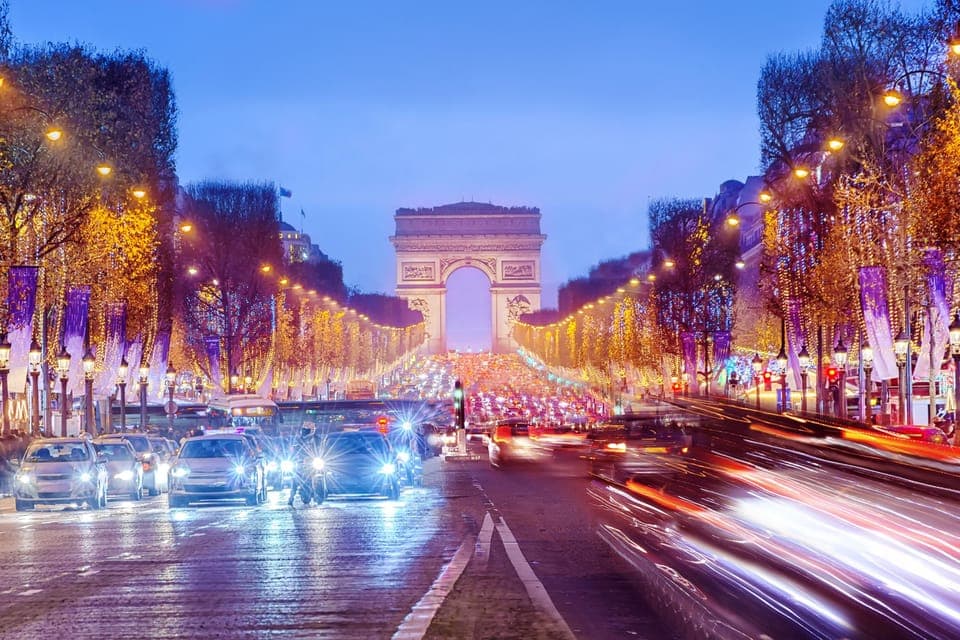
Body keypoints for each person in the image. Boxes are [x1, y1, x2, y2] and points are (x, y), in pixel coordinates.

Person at [287, 426, 314, 506]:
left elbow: (317, 451)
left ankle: (316, 494)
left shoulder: (312, 441)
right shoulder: (297, 441)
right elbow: (292, 453)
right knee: (294, 481)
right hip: (298, 464)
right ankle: (291, 498)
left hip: (309, 465)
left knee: (316, 477)